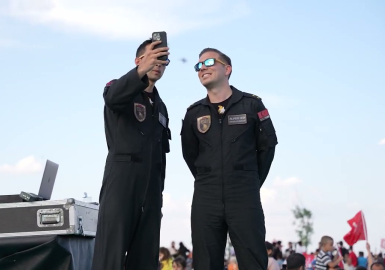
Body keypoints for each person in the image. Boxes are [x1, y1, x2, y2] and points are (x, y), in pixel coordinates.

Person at [181, 48, 278, 269]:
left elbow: (267, 148)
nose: (202, 68)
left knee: (253, 260)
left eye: (209, 62)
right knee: (205, 262)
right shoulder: (193, 113)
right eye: (198, 65)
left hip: (244, 195)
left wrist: (249, 180)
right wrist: (210, 177)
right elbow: (190, 155)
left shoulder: (252, 105)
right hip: (206, 196)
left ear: (227, 69)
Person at [91, 38, 171, 270]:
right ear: (138, 61)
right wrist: (140, 72)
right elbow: (113, 98)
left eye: (163, 60)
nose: (159, 63)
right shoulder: (119, 88)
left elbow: (161, 156)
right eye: (153, 58)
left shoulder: (161, 106)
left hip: (152, 189)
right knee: (111, 255)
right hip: (122, 181)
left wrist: (159, 194)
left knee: (145, 259)